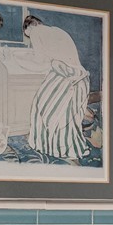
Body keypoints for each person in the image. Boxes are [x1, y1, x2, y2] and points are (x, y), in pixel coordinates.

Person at [21, 15, 90, 162]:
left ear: (30, 27)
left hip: (66, 76)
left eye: (28, 35)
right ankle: (62, 146)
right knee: (63, 113)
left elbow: (40, 61)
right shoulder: (57, 31)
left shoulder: (36, 32)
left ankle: (46, 145)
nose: (30, 38)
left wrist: (21, 61)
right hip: (80, 77)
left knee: (40, 105)